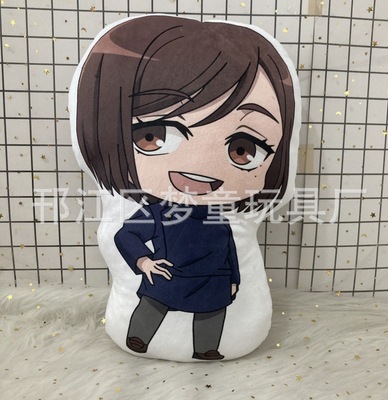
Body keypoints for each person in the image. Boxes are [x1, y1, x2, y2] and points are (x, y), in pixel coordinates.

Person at [75, 15, 296, 360]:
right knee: (155, 304)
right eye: (153, 135)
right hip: (170, 274)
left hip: (212, 278)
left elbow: (229, 248)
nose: (198, 167)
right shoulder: (160, 210)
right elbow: (126, 235)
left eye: (243, 149)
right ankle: (139, 337)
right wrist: (144, 262)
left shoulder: (218, 215)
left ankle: (207, 348)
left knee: (211, 311)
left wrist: (234, 279)